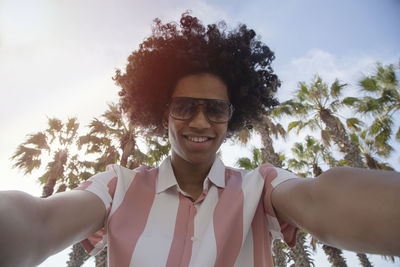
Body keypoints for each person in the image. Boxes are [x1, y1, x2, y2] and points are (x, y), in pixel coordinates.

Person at [1, 13, 399, 267]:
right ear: (162, 113)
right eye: (185, 106)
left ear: (232, 117)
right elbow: (39, 222)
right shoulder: (117, 186)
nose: (200, 120)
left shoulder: (263, 187)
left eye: (216, 109)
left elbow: (322, 202)